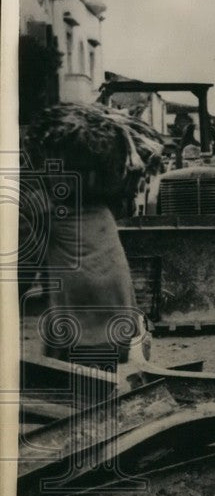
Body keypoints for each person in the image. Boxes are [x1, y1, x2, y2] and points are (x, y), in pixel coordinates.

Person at [22, 103, 163, 365]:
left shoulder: (50, 212)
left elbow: (26, 261)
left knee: (80, 378)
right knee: (99, 370)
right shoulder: (104, 210)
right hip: (115, 304)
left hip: (84, 310)